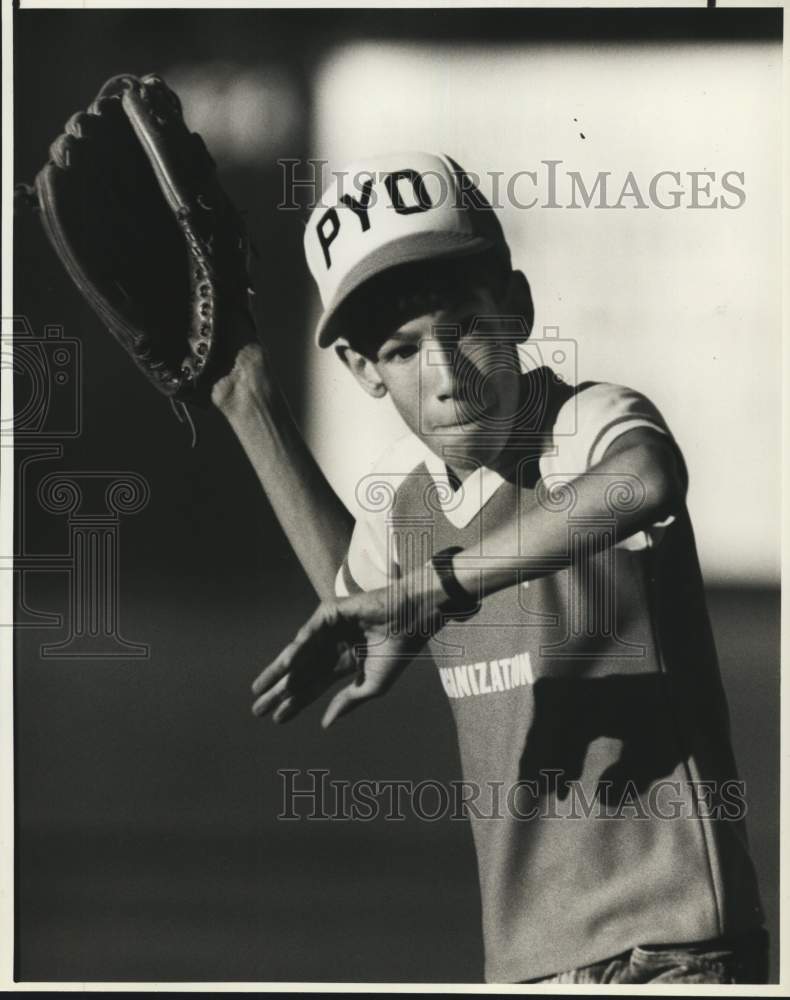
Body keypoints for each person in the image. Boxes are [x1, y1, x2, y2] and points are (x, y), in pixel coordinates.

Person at [211, 152, 767, 984]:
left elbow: (646, 478)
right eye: (401, 350)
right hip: (526, 962)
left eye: (464, 325)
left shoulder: (578, 425)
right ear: (364, 372)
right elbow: (358, 608)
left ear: (515, 308)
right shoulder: (408, 510)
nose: (445, 373)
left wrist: (439, 586)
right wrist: (244, 396)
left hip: (669, 947)